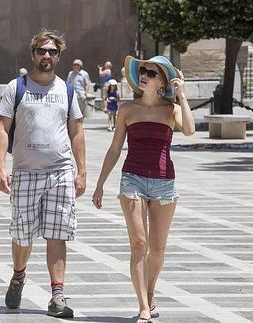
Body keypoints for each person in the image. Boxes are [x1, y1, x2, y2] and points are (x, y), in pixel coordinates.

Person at [92, 55, 194, 323]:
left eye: (151, 72)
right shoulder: (127, 109)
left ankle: (150, 294)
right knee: (139, 244)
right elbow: (115, 148)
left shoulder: (170, 110)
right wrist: (100, 184)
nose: (145, 75)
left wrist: (182, 95)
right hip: (132, 179)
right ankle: (143, 308)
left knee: (158, 249)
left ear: (162, 80)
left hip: (164, 183)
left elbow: (190, 130)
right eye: (143, 71)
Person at [0, 30, 86, 319]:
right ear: (33, 54)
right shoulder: (16, 87)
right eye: (42, 51)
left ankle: (57, 295)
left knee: (57, 233)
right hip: (25, 172)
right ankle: (19, 275)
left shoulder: (67, 89)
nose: (47, 56)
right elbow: (1, 127)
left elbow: (77, 131)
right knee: (22, 235)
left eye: (53, 52)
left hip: (60, 171)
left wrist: (82, 170)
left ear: (59, 56)